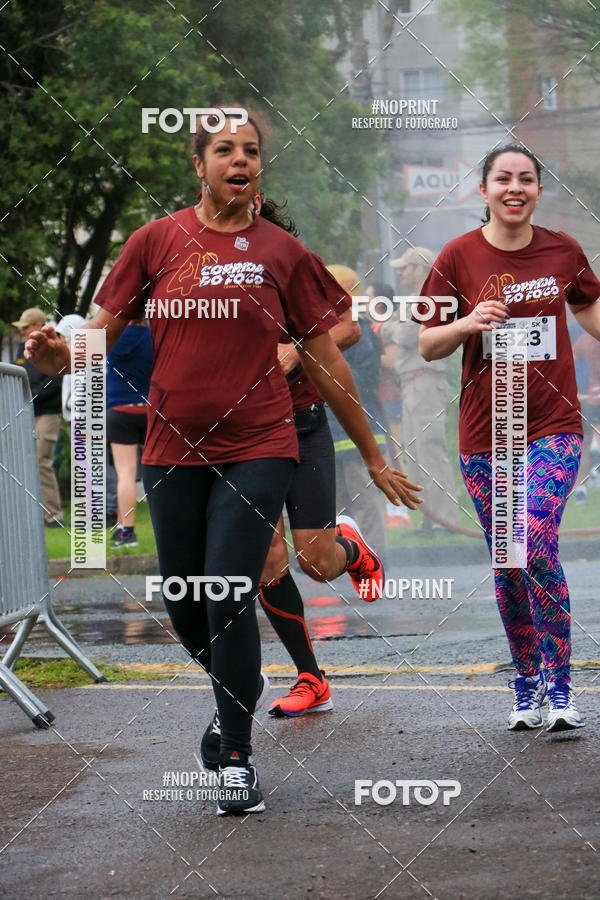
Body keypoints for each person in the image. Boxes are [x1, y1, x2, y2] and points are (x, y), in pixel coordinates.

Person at [25, 109, 421, 815]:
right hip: (171, 449)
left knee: (225, 589)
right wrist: (57, 355)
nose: (242, 160)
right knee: (184, 604)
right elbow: (96, 341)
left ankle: (236, 756)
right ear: (198, 164)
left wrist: (373, 451)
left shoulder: (281, 253)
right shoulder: (155, 242)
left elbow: (328, 364)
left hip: (261, 446)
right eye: (225, 150)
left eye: (252, 151)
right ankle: (239, 689)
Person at [418, 143, 600, 732]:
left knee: (536, 537)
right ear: (484, 189)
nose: (514, 188)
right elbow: (428, 343)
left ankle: (562, 684)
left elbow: (592, 312)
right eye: (503, 178)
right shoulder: (459, 255)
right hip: (486, 431)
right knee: (508, 558)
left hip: (553, 424)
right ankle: (525, 682)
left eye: (526, 179)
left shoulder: (563, 250)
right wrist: (468, 322)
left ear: (539, 190)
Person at [384, 248, 458, 533]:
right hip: (412, 382)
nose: (401, 273)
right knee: (415, 454)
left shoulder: (429, 299)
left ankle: (446, 520)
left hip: (426, 381)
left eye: (405, 267)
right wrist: (394, 326)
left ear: (419, 268)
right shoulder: (415, 300)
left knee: (431, 450)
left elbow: (404, 335)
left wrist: (390, 328)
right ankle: (430, 519)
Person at [327, 266, 389, 555]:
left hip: (358, 435)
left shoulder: (362, 334)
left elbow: (361, 384)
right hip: (331, 434)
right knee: (338, 506)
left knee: (363, 500)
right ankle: (348, 560)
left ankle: (377, 558)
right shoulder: (324, 335)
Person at [13, 307, 64, 527]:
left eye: (25, 327)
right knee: (24, 463)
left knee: (42, 461)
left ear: (36, 326)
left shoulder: (51, 345)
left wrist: (30, 396)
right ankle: (32, 515)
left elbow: (56, 380)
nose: (22, 331)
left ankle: (53, 516)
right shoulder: (20, 349)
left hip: (47, 413)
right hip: (26, 412)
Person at [107, 317, 152, 548]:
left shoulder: (112, 337)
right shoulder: (153, 336)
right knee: (159, 471)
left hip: (118, 410)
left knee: (125, 474)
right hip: (150, 410)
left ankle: (126, 533)